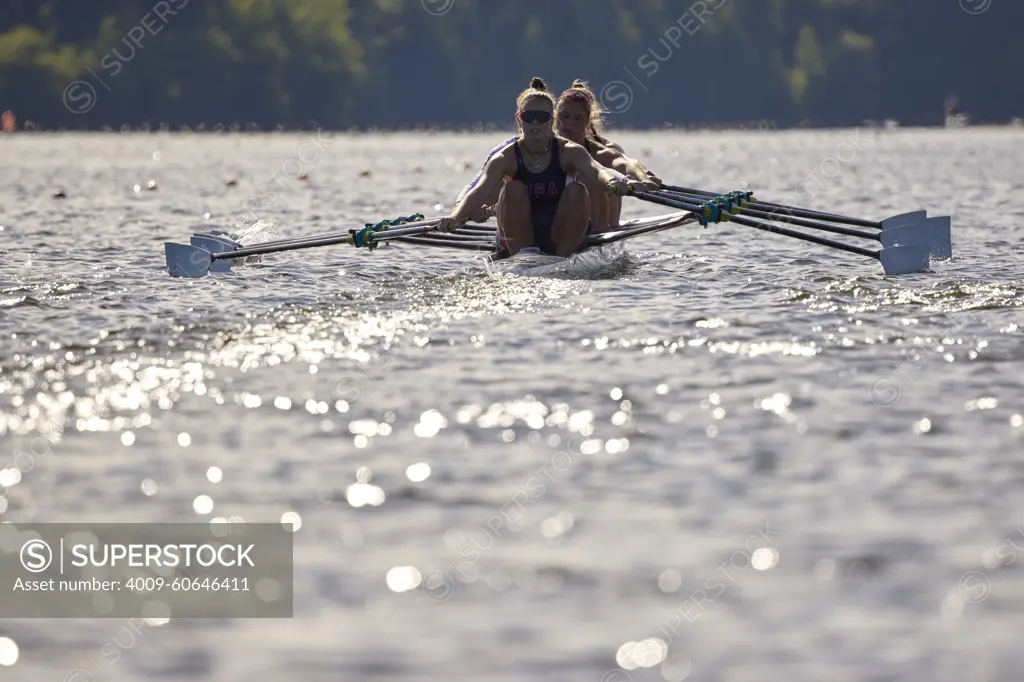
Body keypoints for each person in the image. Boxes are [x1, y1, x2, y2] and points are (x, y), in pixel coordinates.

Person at [440, 77, 644, 257]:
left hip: (559, 230)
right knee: (512, 188)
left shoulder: (571, 151)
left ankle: (564, 256)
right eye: (529, 117)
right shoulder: (505, 156)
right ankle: (522, 255)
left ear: (550, 121)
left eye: (543, 117)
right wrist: (456, 216)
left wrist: (615, 181)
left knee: (578, 189)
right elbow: (479, 190)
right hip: (520, 233)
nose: (535, 123)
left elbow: (598, 170)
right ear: (519, 120)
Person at [554, 80, 660, 231]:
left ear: (588, 122)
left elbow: (626, 163)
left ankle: (598, 231)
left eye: (577, 118)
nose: (569, 123)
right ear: (555, 117)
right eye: (564, 116)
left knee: (593, 178)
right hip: (558, 222)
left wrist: (644, 178)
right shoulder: (540, 147)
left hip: (594, 227)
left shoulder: (599, 151)